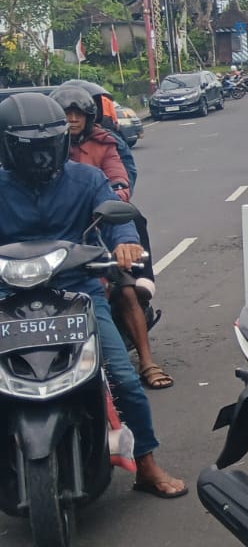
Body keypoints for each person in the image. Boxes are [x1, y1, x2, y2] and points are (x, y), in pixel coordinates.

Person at [0, 93, 187, 498]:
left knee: (123, 378)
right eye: (29, 148)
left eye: (47, 145)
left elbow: (116, 217)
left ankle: (146, 465)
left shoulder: (86, 179)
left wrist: (125, 242)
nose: (40, 156)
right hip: (7, 294)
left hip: (77, 290)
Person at [50, 86, 169, 390]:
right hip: (52, 232)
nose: (72, 119)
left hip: (96, 224)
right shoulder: (43, 148)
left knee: (125, 287)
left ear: (90, 117)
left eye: (78, 113)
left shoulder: (105, 143)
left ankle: (146, 361)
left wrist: (108, 200)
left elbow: (119, 180)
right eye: (66, 114)